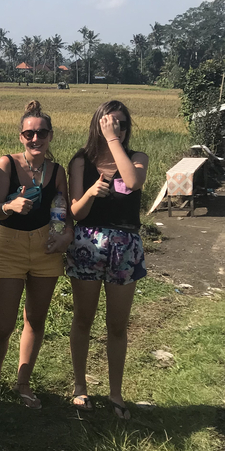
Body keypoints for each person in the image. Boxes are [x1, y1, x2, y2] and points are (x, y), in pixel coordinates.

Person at [0, 100, 72, 408]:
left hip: (46, 248)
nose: (35, 139)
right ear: (21, 136)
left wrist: (65, 235)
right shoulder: (6, 164)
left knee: (35, 320)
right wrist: (9, 205)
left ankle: (23, 384)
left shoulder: (57, 172)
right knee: (3, 323)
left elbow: (63, 212)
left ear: (50, 136)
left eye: (41, 133)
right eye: (29, 133)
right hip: (9, 246)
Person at [67, 100, 149, 420]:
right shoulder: (80, 161)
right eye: (108, 124)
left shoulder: (136, 158)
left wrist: (114, 142)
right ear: (97, 125)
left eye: (121, 125)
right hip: (87, 243)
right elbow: (74, 212)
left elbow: (132, 182)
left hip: (124, 246)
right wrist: (89, 193)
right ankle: (79, 387)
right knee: (82, 319)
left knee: (117, 325)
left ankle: (116, 392)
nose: (115, 129)